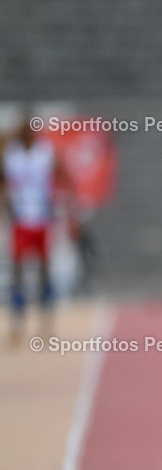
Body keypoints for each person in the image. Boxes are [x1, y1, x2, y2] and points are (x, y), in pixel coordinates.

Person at [0, 119, 70, 346]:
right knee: (18, 271)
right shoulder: (12, 154)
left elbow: (61, 173)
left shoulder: (45, 152)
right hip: (21, 220)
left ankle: (46, 324)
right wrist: (7, 202)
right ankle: (17, 324)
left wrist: (61, 201)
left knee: (44, 271)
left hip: (42, 220)